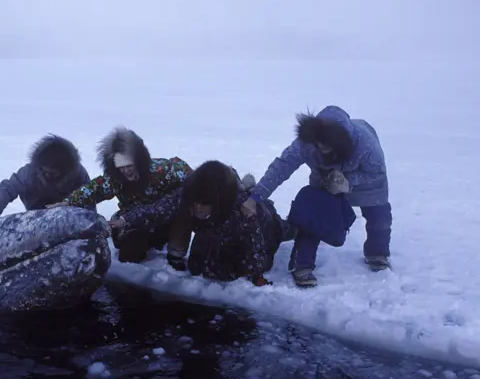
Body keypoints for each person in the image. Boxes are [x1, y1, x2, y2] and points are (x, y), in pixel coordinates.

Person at [240, 105, 392, 287]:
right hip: (325, 182)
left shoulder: (365, 143)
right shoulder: (306, 143)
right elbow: (281, 167)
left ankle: (377, 254)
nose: (321, 148)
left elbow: (377, 172)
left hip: (368, 185)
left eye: (326, 146)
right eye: (318, 145)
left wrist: (348, 182)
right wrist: (255, 198)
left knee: (379, 217)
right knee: (311, 217)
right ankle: (301, 265)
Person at [109, 160, 292, 285]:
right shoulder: (188, 195)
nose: (198, 209)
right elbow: (155, 210)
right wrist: (125, 220)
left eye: (204, 204)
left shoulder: (241, 211)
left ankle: (251, 190)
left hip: (263, 227)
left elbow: (256, 245)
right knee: (198, 268)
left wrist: (256, 274)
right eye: (195, 203)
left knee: (227, 271)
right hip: (214, 232)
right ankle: (242, 184)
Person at [47, 126, 193, 264]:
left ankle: (176, 255)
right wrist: (68, 202)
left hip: (164, 219)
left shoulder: (164, 171)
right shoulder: (115, 179)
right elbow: (94, 189)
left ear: (139, 161)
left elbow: (193, 179)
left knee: (183, 213)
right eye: (121, 168)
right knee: (129, 253)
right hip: (131, 221)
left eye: (129, 166)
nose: (126, 171)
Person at [0, 134, 94, 225]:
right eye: (44, 172)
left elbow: (89, 197)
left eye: (53, 173)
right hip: (36, 215)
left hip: (69, 218)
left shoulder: (78, 175)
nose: (47, 176)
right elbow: (7, 188)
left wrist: (89, 223)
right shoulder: (29, 173)